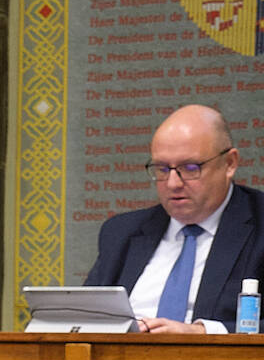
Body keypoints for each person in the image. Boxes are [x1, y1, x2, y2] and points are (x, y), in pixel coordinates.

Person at [84, 104, 264, 333]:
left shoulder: (259, 225)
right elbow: (86, 320)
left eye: (190, 168)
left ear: (230, 164)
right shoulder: (122, 232)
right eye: (161, 169)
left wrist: (201, 333)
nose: (173, 183)